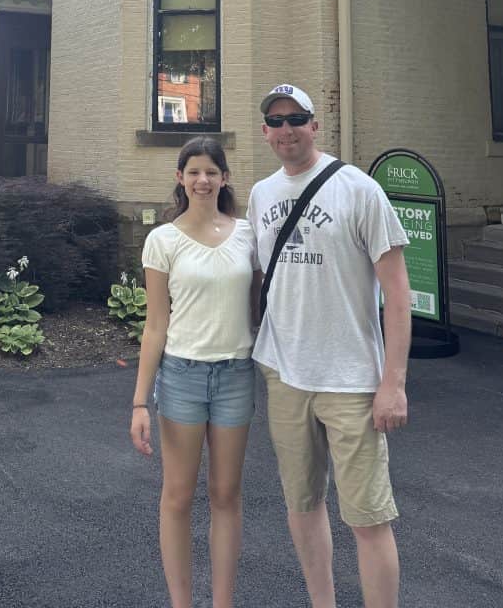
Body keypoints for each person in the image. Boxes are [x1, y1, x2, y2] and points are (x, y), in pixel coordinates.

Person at [248, 84, 411, 608]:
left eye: (296, 118)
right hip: (284, 373)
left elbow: (398, 295)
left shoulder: (359, 190)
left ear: (316, 125)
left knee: (368, 517)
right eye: (275, 121)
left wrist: (394, 384)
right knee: (302, 502)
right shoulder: (261, 194)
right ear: (265, 131)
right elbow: (253, 277)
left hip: (352, 381)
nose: (286, 129)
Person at [130, 137, 261, 608]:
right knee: (179, 496)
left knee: (226, 495)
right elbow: (155, 324)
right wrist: (140, 401)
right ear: (180, 179)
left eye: (211, 172)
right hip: (182, 377)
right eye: (193, 172)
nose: (202, 180)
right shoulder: (162, 240)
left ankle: (223, 602)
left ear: (224, 178)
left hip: (235, 375)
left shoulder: (248, 235)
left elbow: (260, 305)